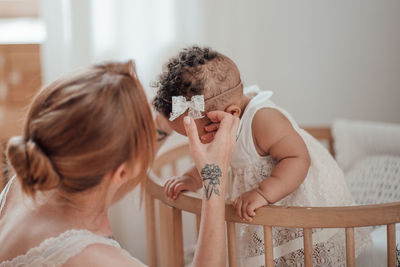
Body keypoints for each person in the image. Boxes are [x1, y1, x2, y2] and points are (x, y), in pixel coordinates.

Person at [0, 60, 239, 267]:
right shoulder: (98, 260)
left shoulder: (25, 181)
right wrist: (212, 177)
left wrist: (164, 123)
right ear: (121, 172)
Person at [153, 46, 371, 266]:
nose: (196, 145)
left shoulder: (264, 120)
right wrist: (191, 178)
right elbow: (215, 163)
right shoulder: (226, 119)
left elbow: (297, 158)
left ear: (229, 115)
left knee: (302, 256)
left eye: (197, 137)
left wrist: (263, 192)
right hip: (269, 215)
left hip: (297, 199)